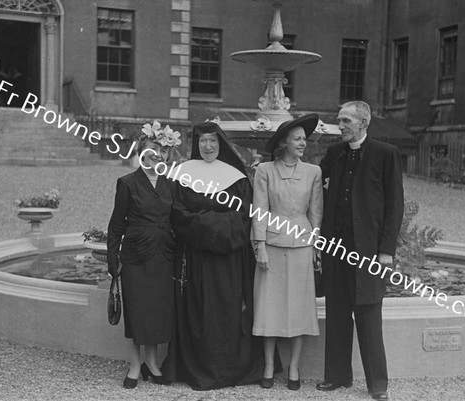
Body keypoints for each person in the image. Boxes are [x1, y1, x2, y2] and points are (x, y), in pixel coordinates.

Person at [161, 122, 264, 390]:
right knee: (197, 312)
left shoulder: (236, 178)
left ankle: (228, 369)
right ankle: (194, 367)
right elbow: (177, 214)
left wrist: (204, 224)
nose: (208, 146)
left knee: (227, 311)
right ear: (196, 145)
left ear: (221, 144)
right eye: (203, 141)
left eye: (213, 141)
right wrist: (215, 224)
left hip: (228, 260)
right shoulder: (181, 174)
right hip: (194, 259)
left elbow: (244, 218)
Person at [316, 101, 404, 400]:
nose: (339, 126)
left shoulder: (385, 154)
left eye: (345, 121)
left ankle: (378, 384)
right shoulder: (334, 153)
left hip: (368, 251)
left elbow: (394, 205)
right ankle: (337, 376)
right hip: (335, 248)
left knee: (368, 314)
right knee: (337, 311)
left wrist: (386, 250)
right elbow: (314, 182)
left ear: (363, 122)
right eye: (339, 120)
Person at [107, 121, 182, 389]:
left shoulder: (171, 184)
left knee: (158, 310)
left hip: (163, 254)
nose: (157, 155)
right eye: (152, 149)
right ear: (141, 151)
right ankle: (135, 363)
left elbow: (178, 220)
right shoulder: (127, 183)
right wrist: (113, 259)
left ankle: (152, 362)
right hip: (136, 255)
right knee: (138, 310)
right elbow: (116, 224)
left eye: (162, 151)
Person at [251, 114, 323, 390]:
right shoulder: (265, 171)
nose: (303, 143)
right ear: (283, 143)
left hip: (302, 246)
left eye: (304, 139)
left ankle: (294, 367)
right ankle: (269, 365)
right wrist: (260, 247)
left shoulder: (313, 172)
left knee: (300, 308)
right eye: (297, 139)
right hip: (272, 244)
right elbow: (260, 210)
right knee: (269, 307)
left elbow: (316, 212)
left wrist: (316, 246)